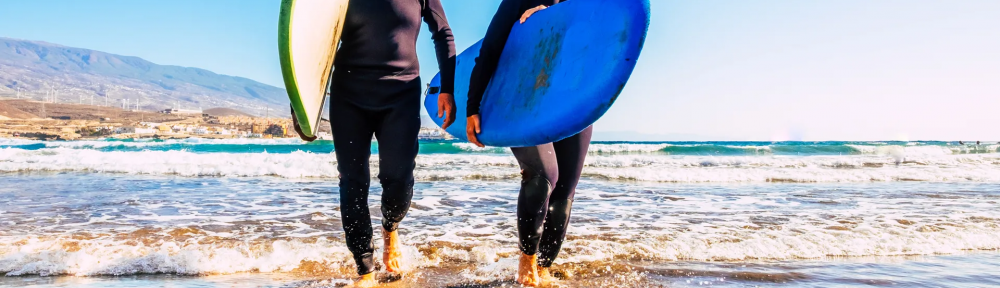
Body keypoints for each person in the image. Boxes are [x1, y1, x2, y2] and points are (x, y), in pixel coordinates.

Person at [291, 0, 457, 286]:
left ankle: (390, 228)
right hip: (349, 93)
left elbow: (442, 32)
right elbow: (308, 37)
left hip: (401, 93)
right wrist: (301, 103)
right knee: (352, 180)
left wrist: (448, 88)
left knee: (398, 179)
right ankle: (364, 268)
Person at [465, 1, 591, 286]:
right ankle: (527, 262)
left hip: (571, 101)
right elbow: (489, 53)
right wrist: (473, 106)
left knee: (564, 194)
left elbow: (602, 42)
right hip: (524, 101)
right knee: (544, 176)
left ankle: (543, 268)